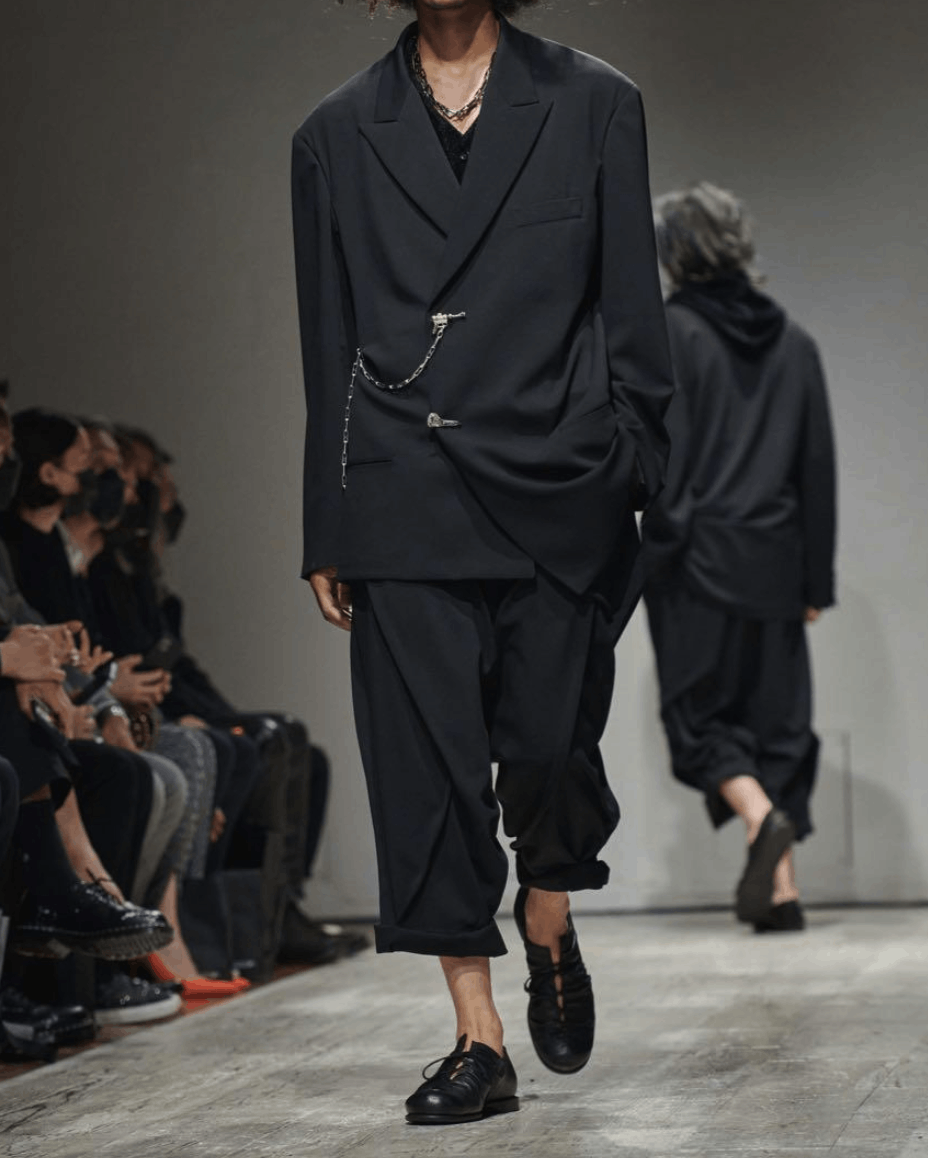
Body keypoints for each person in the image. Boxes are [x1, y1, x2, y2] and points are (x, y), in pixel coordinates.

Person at [294, 0, 673, 1123]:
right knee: (426, 769)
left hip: (556, 476)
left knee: (549, 748)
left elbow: (630, 299)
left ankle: (548, 910)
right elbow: (326, 337)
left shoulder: (594, 101)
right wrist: (329, 518)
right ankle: (476, 1032)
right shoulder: (333, 132)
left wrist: (634, 460)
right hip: (403, 485)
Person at [642, 182, 837, 933]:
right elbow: (816, 469)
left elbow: (667, 461)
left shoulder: (671, 333)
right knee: (777, 724)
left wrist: (650, 557)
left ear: (673, 253)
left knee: (698, 717)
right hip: (778, 561)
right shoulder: (796, 341)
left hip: (696, 559)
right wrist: (815, 579)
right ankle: (782, 894)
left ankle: (759, 817)